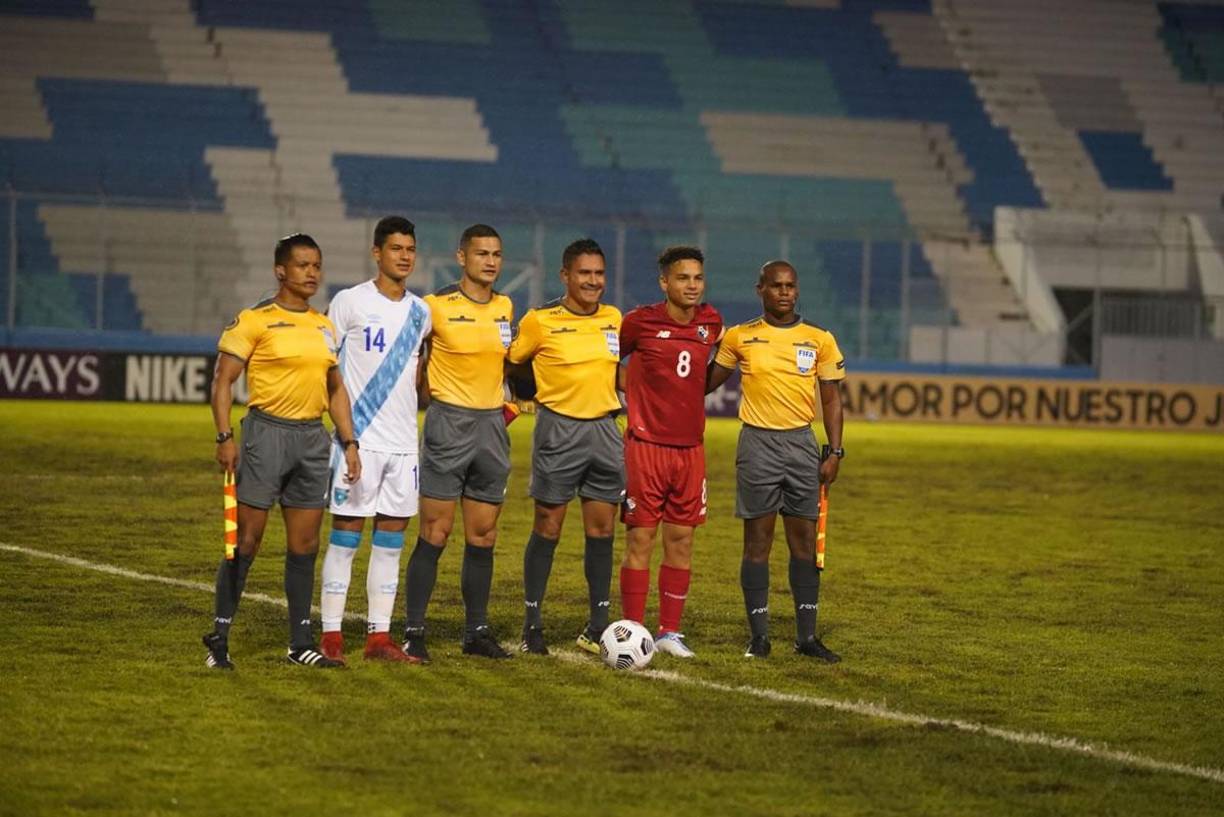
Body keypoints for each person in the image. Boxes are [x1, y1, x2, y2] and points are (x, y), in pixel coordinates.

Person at [203, 233, 361, 670]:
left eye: (316, 265)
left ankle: (299, 644)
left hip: (312, 439)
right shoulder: (255, 320)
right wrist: (224, 437)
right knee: (246, 542)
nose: (312, 273)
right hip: (266, 435)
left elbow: (335, 389)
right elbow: (222, 381)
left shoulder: (324, 326)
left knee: (304, 545)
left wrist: (349, 441)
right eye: (303, 265)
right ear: (280, 271)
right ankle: (219, 637)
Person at [706, 260, 846, 662]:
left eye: (790, 286)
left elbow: (832, 399)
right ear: (760, 289)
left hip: (802, 445)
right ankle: (759, 636)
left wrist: (835, 451)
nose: (785, 292)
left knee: (804, 546)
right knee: (757, 544)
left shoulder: (819, 339)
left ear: (797, 290)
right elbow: (704, 383)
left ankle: (806, 637)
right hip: (757, 445)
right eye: (776, 286)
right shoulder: (740, 337)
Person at [317, 216, 431, 665]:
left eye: (410, 249)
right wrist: (347, 439)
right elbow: (330, 375)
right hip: (358, 442)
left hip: (404, 445)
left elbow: (419, 378)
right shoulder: (348, 303)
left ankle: (378, 639)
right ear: (376, 253)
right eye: (396, 248)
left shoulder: (421, 313)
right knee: (345, 535)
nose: (404, 256)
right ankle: (330, 637)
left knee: (391, 539)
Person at [402, 224, 515, 661]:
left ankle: (476, 633)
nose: (490, 261)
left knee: (483, 535)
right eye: (482, 253)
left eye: (497, 254)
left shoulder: (506, 306)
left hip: (491, 428)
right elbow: (409, 359)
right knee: (435, 531)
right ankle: (414, 630)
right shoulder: (434, 307)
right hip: (449, 424)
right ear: (461, 258)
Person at [509, 238, 623, 656]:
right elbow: (514, 361)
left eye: (599, 274)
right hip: (559, 432)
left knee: (602, 529)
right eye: (584, 273)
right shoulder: (540, 320)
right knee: (548, 527)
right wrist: (529, 395)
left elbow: (616, 372)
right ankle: (532, 623)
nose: (593, 281)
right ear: (566, 276)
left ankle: (597, 625)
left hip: (606, 432)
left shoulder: (614, 318)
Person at [618, 246, 723, 658]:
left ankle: (669, 633)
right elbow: (608, 360)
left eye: (697, 278)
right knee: (640, 538)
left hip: (690, 450)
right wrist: (637, 392)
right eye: (683, 278)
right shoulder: (640, 322)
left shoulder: (711, 323)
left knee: (681, 541)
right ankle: (633, 628)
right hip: (646, 448)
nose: (692, 285)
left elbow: (705, 373)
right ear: (665, 282)